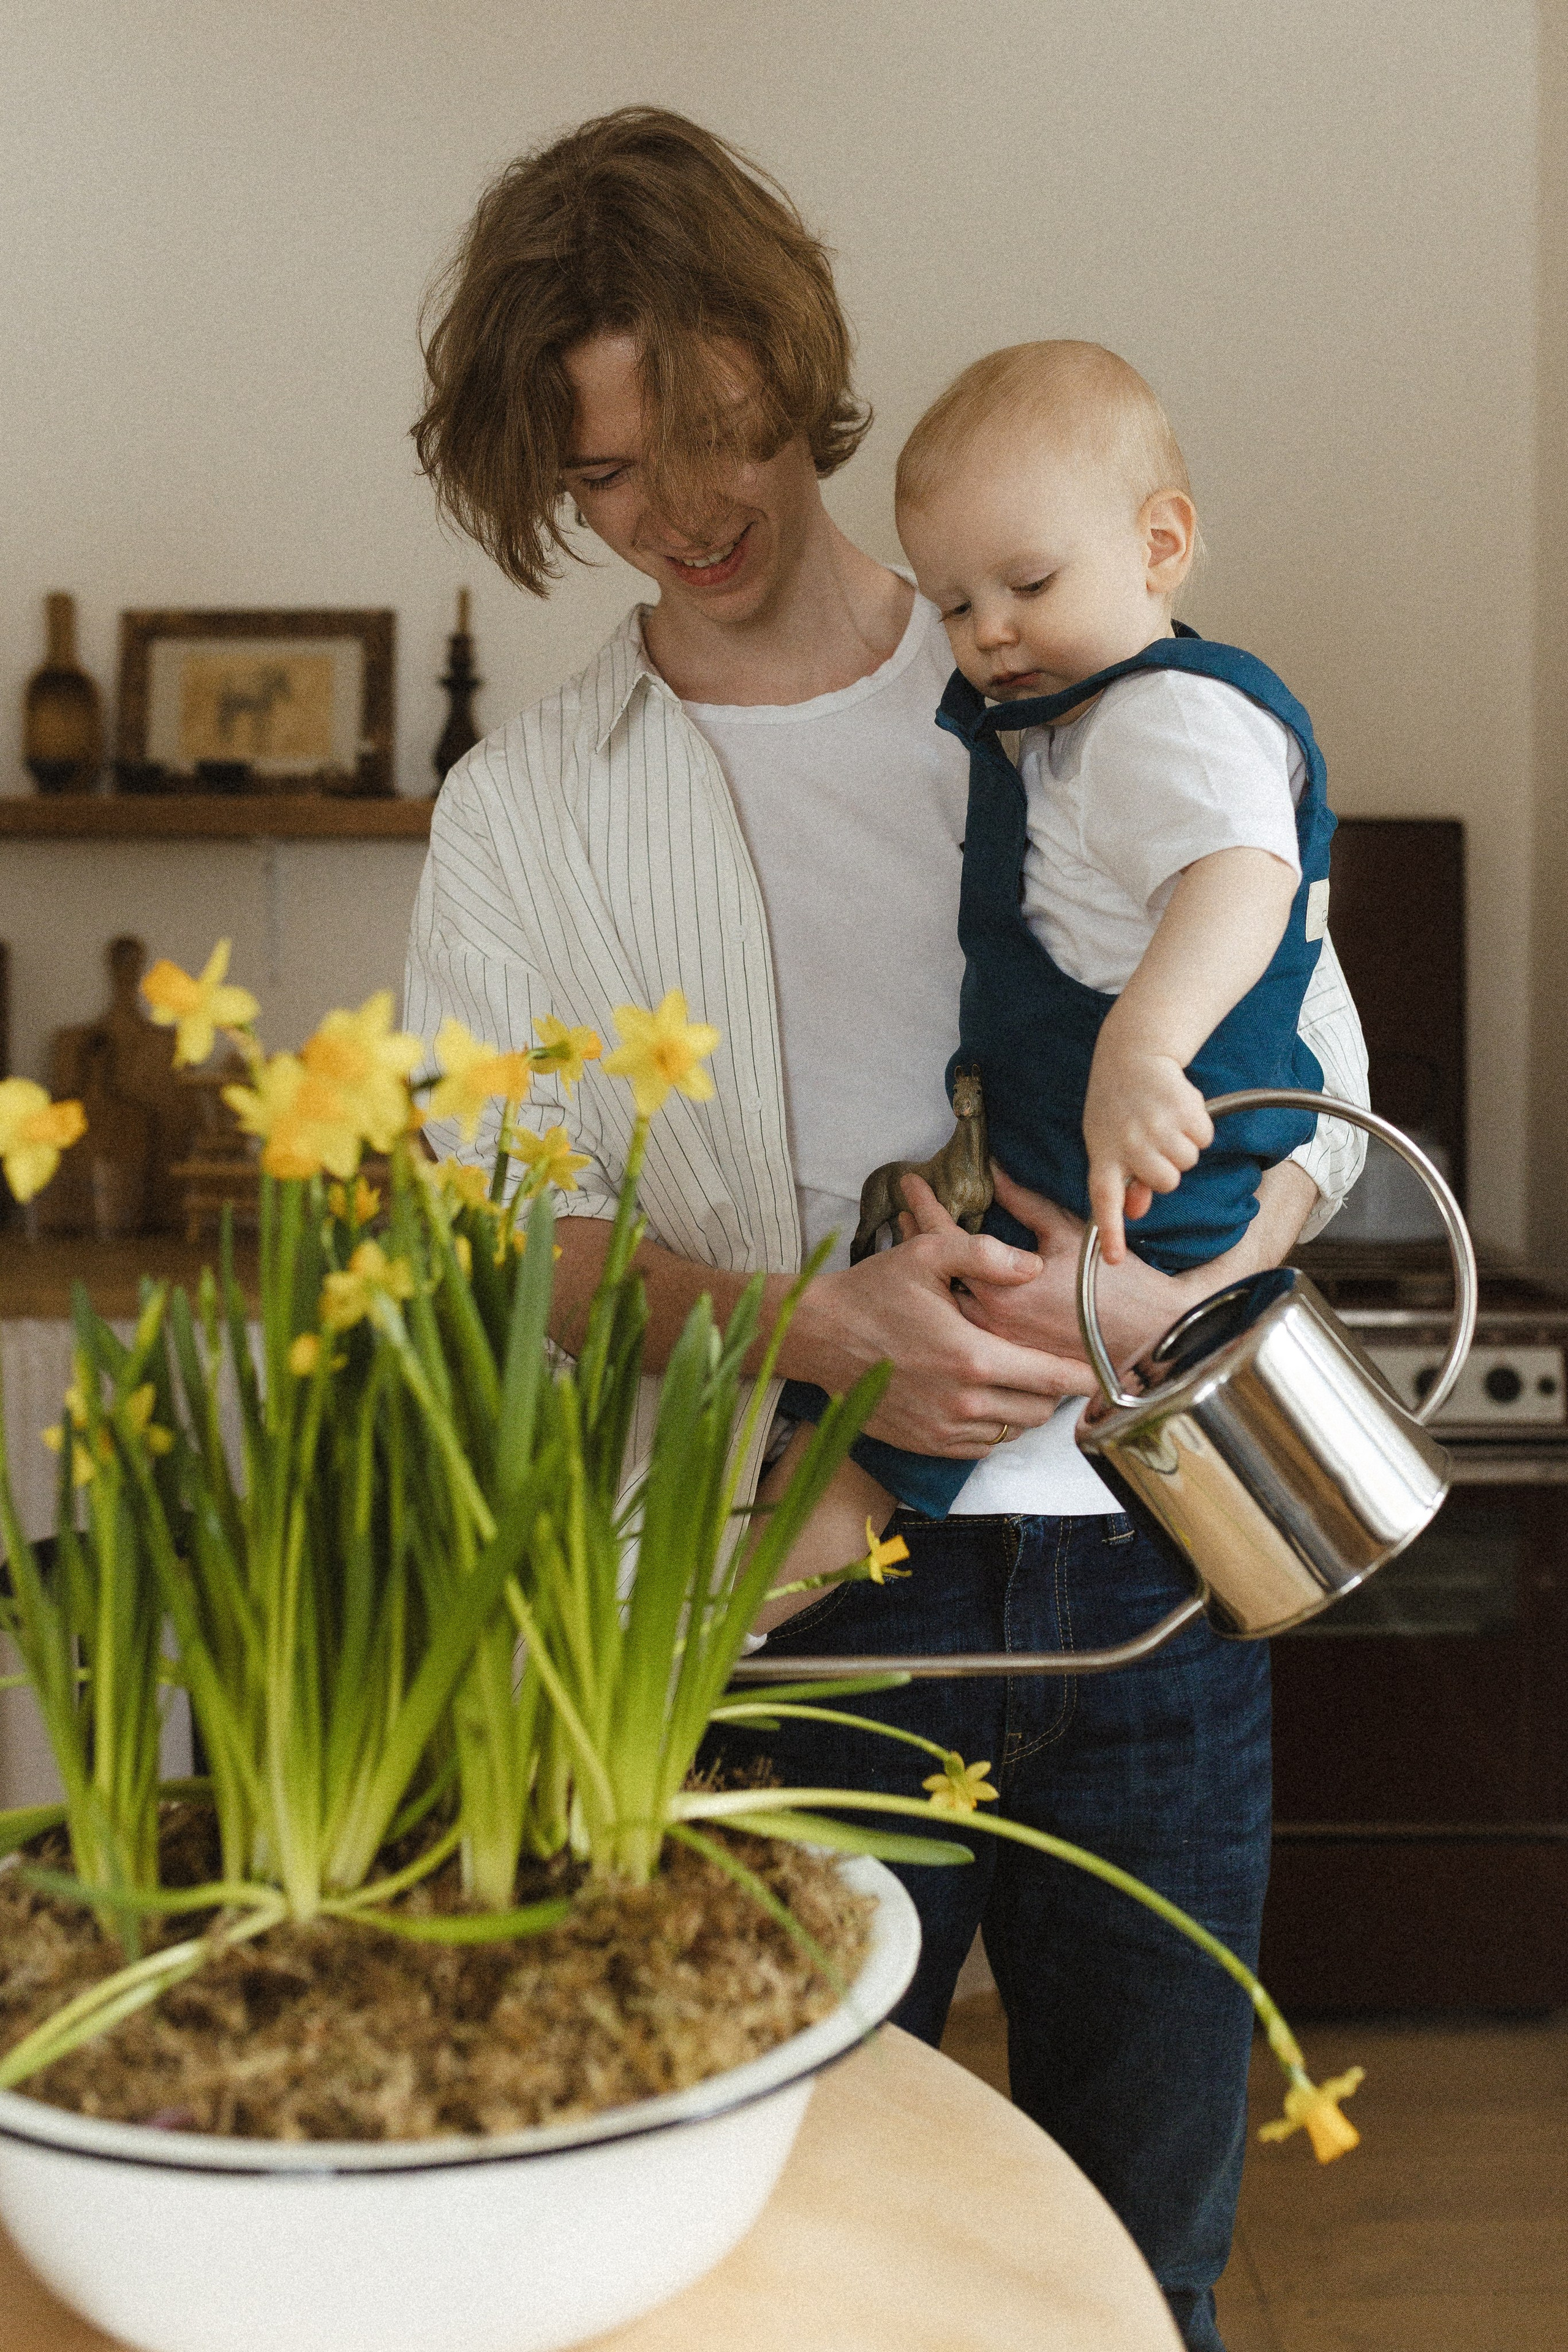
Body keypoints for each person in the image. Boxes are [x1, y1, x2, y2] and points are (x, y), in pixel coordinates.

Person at [404, 107, 1369, 2352]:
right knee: (788, 2262)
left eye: (716, 433)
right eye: (606, 484)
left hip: (1150, 1591)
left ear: (793, 363)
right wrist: (793, 1331)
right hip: (784, 1588)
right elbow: (488, 1230)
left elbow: (1317, 1084)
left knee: (1151, 2270)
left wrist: (1168, 1281)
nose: (684, 513)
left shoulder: (1069, 675)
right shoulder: (533, 812)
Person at [761, 336, 1337, 1576]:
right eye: (955, 604)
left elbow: (1246, 878)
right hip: (1099, 1171)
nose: (990, 631)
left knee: (876, 1408)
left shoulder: (1163, 718)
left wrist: (1142, 1047)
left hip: (1147, 1172)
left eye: (1026, 582)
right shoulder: (1077, 730)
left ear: (1160, 547)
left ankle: (731, 1626)